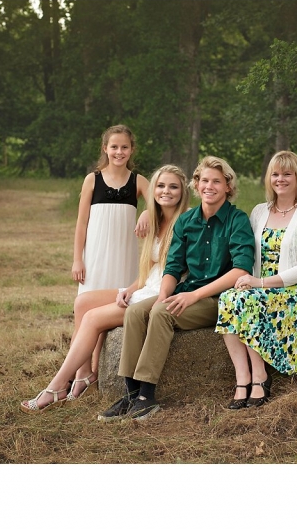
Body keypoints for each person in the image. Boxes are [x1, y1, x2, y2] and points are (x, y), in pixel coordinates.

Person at [97, 156, 255, 422]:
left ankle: (147, 396)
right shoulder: (187, 221)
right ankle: (131, 392)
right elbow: (172, 267)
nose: (209, 186)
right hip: (186, 290)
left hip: (217, 299)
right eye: (204, 180)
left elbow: (240, 270)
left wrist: (191, 296)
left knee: (163, 314)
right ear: (195, 184)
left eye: (217, 181)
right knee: (136, 312)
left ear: (228, 186)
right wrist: (162, 296)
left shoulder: (237, 220)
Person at [20, 165, 190, 412]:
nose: (166, 191)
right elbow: (152, 267)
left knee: (92, 318)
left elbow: (174, 270)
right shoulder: (157, 219)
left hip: (163, 292)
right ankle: (85, 373)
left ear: (183, 191)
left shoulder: (186, 221)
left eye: (173, 186)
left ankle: (56, 386)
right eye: (161, 186)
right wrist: (130, 288)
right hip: (148, 285)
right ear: (153, 190)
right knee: (83, 302)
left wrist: (155, 298)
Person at [215, 151, 297, 409]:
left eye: (287, 174)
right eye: (275, 174)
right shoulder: (258, 211)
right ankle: (243, 377)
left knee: (248, 300)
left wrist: (260, 283)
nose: (280, 179)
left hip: (295, 294)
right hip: (258, 288)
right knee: (228, 298)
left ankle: (261, 376)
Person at [70, 125, 152, 379]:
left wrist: (148, 211)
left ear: (131, 149)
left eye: (124, 147)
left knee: (109, 314)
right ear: (105, 148)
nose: (119, 152)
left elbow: (160, 204)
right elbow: (81, 223)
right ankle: (81, 371)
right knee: (85, 311)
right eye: (114, 147)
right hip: (95, 256)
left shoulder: (138, 181)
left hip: (124, 257)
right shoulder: (92, 179)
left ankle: (98, 370)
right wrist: (77, 260)